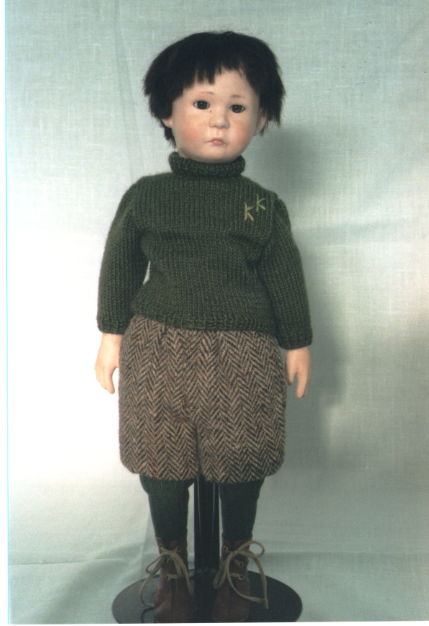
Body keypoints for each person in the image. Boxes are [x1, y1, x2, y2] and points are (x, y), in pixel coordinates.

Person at [95, 31, 312, 622]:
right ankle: (173, 569)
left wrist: (298, 343)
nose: (219, 120)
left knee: (242, 462)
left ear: (260, 119)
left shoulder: (261, 207)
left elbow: (284, 276)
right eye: (201, 103)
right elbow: (120, 266)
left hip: (245, 353)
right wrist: (111, 336)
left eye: (238, 107)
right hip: (158, 350)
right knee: (160, 465)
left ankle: (233, 569)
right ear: (166, 112)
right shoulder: (146, 198)